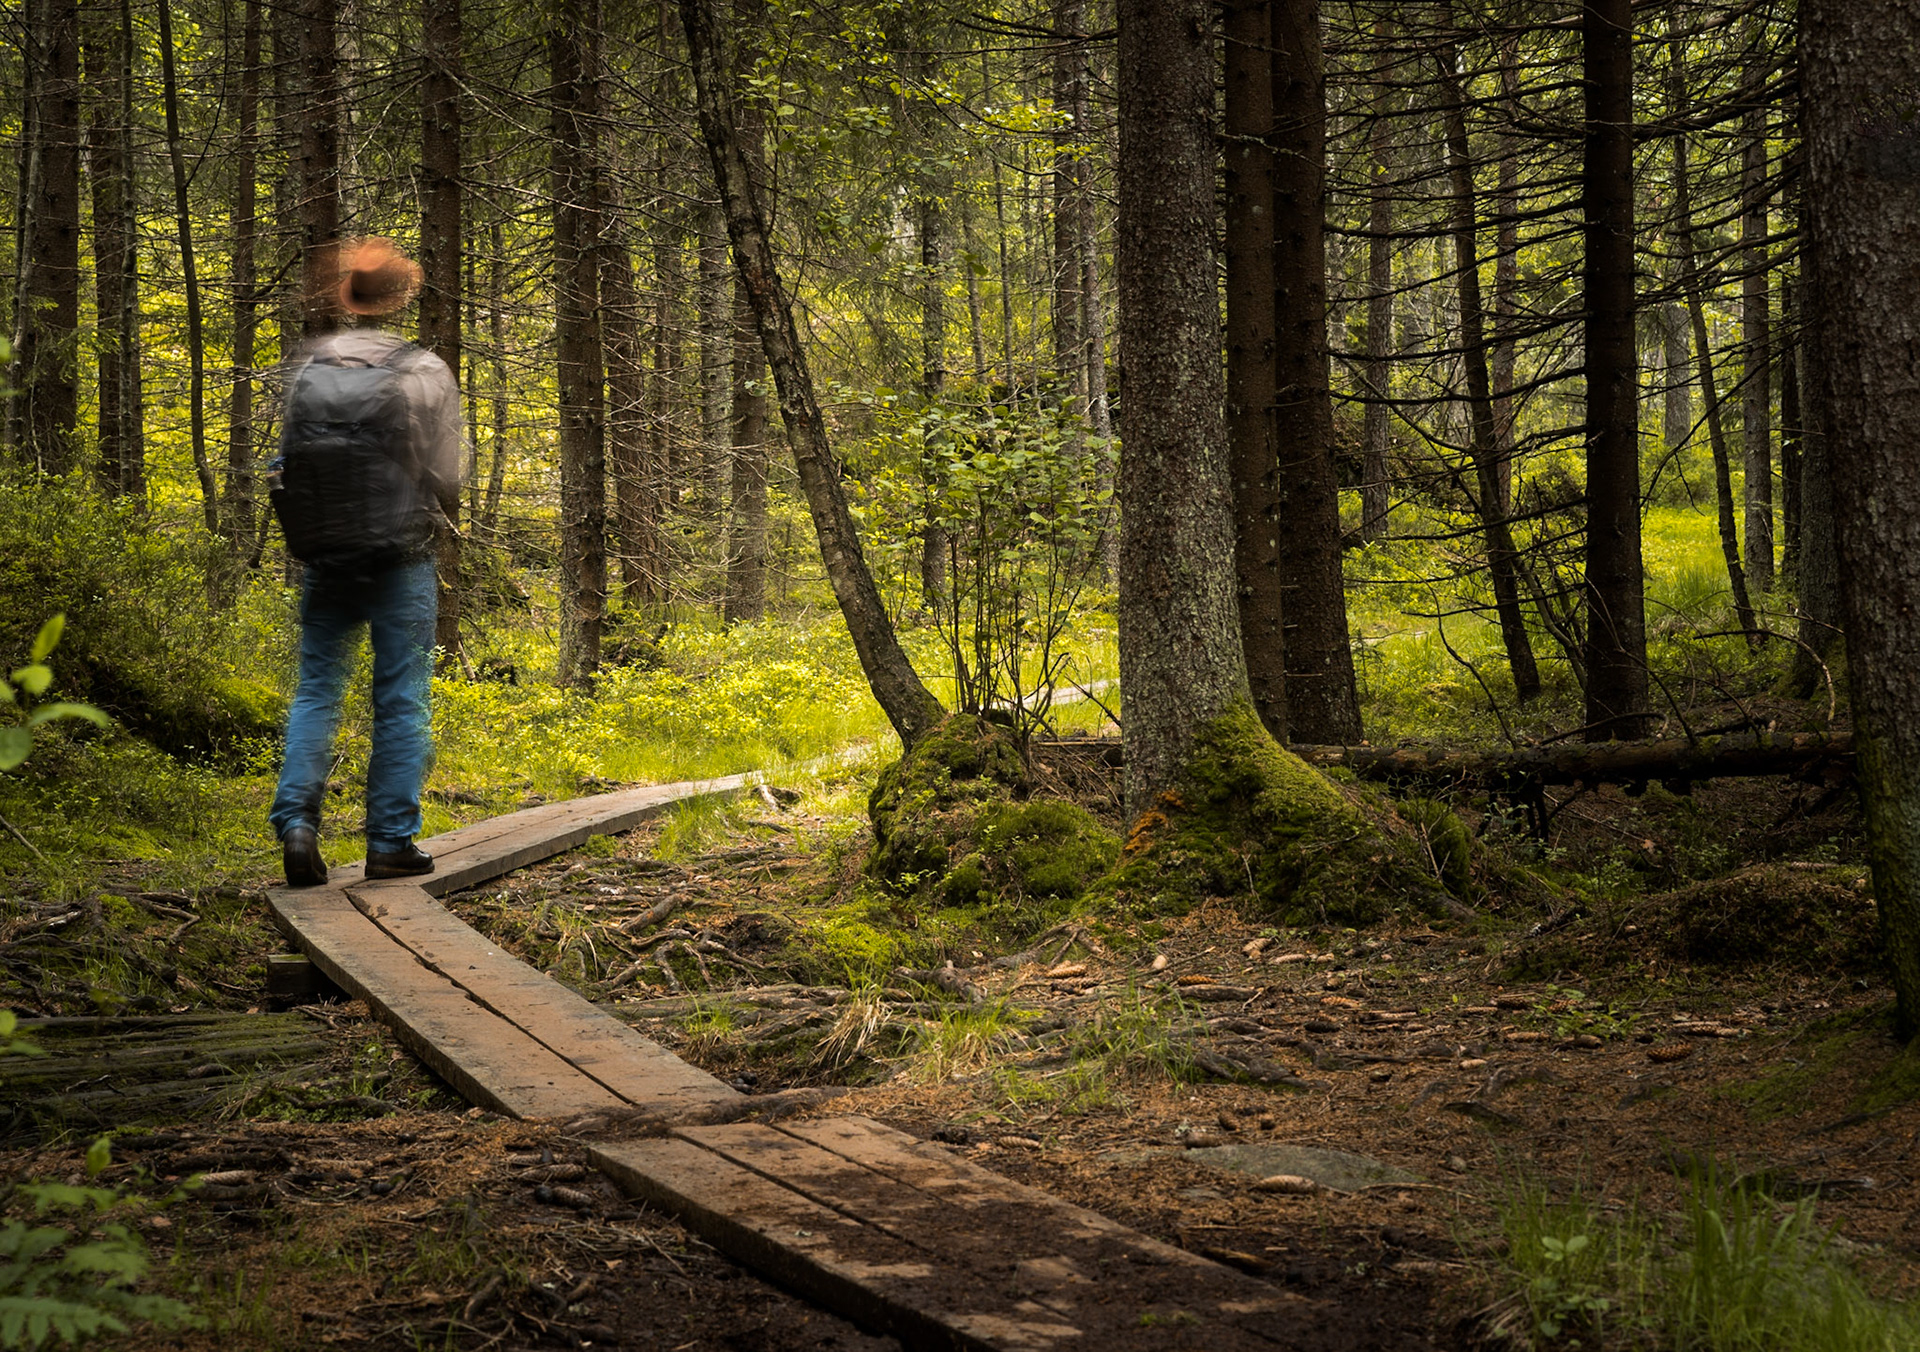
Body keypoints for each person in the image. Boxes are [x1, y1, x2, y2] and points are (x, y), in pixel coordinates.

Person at [268, 238, 463, 887]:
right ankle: (389, 842)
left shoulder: (309, 365)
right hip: (400, 556)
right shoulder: (424, 370)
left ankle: (297, 825)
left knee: (318, 689)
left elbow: (289, 464)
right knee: (402, 699)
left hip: (324, 558)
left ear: (350, 299)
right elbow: (449, 475)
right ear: (401, 299)